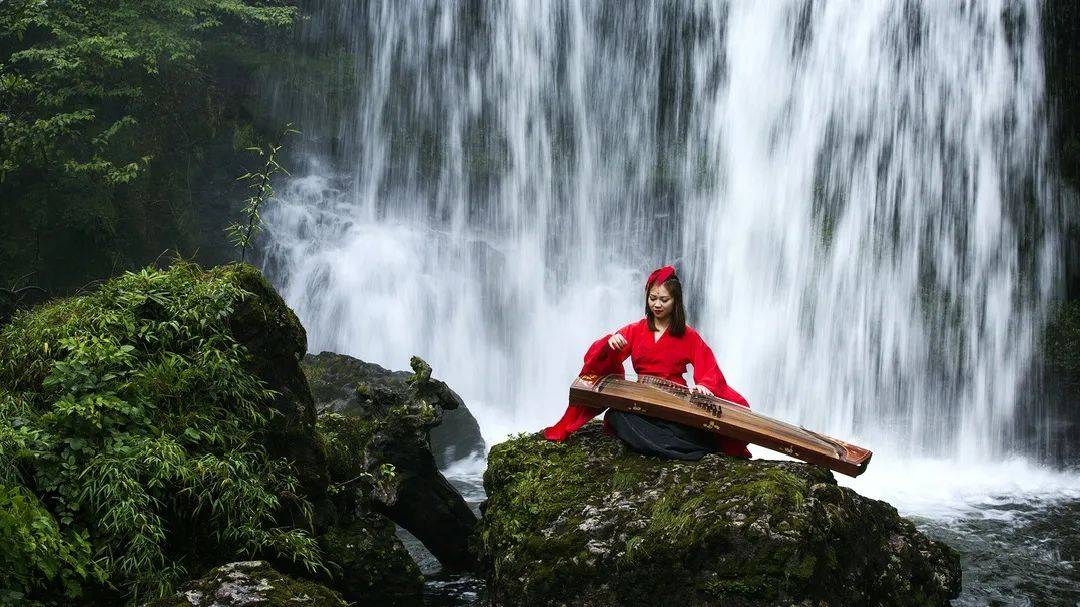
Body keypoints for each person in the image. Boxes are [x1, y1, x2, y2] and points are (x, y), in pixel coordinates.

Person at [542, 265, 752, 460]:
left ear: (675, 302)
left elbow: (709, 367)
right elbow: (599, 357)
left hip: (675, 400)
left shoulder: (689, 336)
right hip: (643, 399)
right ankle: (680, 448)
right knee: (617, 417)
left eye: (664, 299)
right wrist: (609, 343)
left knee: (688, 426)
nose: (657, 304)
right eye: (652, 298)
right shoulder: (636, 329)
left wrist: (705, 385)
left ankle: (676, 447)